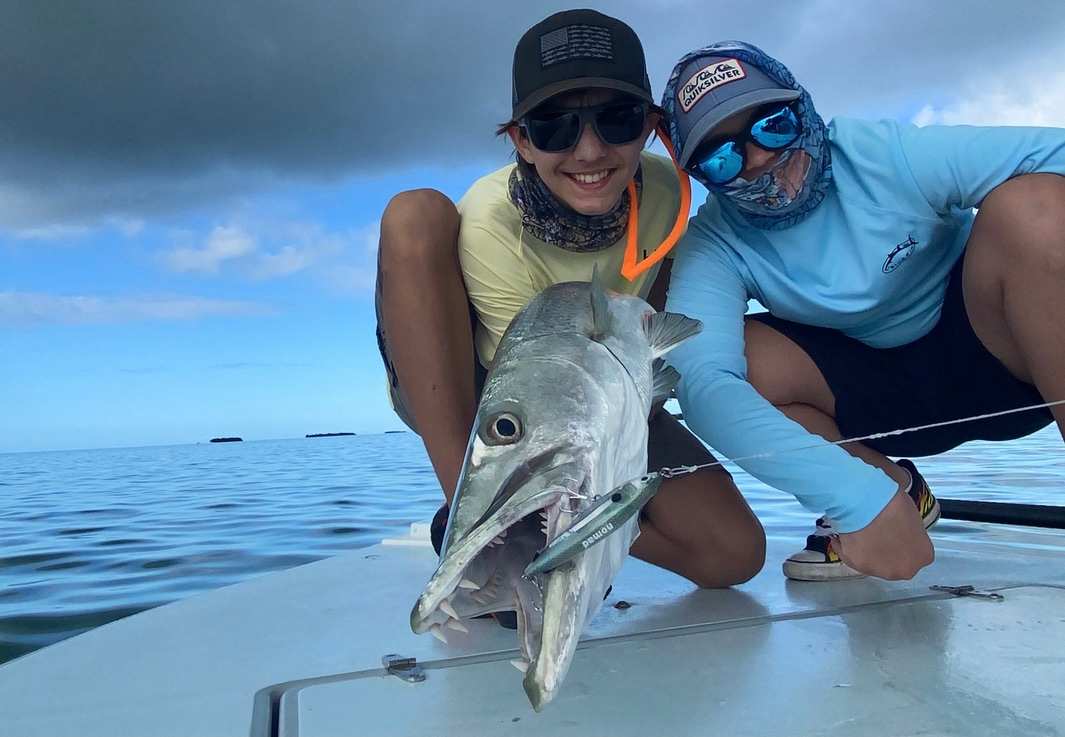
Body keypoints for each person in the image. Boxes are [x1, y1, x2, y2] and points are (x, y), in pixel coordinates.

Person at [375, 12, 766, 605]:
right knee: (415, 215)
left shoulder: (666, 193)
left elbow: (656, 320)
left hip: (608, 381)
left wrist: (585, 524)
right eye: (553, 127)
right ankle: (475, 524)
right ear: (521, 141)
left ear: (649, 127)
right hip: (485, 391)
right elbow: (541, 394)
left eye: (618, 119)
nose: (589, 150)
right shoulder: (489, 222)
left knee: (732, 555)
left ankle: (567, 530)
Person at [659, 41, 1065, 582]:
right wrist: (855, 498)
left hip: (1016, 362)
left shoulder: (885, 154)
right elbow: (703, 384)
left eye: (772, 126)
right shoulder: (713, 241)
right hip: (877, 413)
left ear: (801, 106)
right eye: (720, 156)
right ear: (699, 174)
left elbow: (1056, 152)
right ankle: (893, 496)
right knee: (731, 362)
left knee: (1036, 207)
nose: (756, 158)